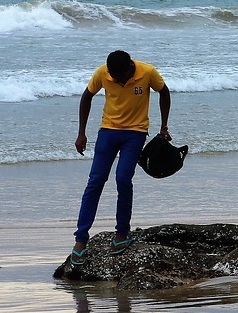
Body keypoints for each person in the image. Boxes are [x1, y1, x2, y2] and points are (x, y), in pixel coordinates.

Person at [63, 50, 171, 278]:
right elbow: (86, 96)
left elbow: (164, 92)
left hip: (135, 133)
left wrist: (163, 126)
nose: (117, 81)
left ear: (130, 68)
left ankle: (122, 233)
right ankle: (81, 240)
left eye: (120, 77)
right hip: (108, 132)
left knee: (123, 178)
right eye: (113, 77)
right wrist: (81, 133)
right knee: (95, 181)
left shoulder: (147, 72)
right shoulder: (103, 73)